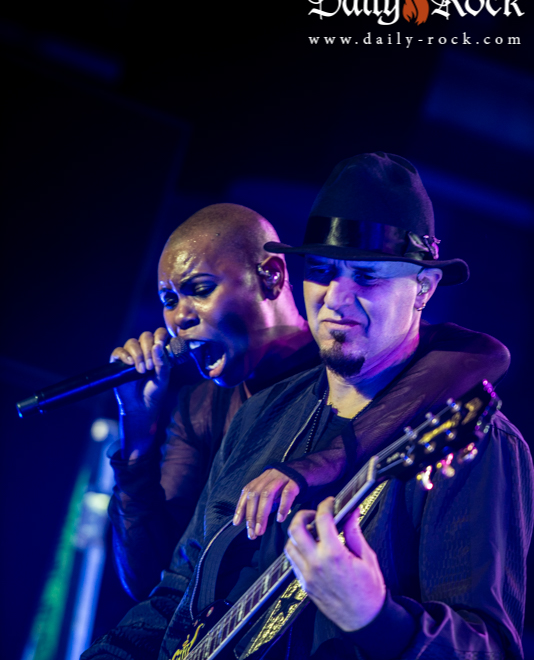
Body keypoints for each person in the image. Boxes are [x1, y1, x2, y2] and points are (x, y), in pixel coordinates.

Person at [44, 153, 533, 660]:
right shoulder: (262, 415)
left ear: (424, 290)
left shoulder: (477, 444)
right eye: (323, 272)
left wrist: (373, 615)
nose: (337, 298)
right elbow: (177, 590)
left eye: (368, 277)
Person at [110, 203, 509, 600]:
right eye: (168, 300)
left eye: (199, 289)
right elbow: (156, 582)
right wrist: (137, 436)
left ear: (271, 276)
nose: (178, 318)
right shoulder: (201, 407)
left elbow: (481, 354)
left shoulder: (350, 362)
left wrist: (324, 462)